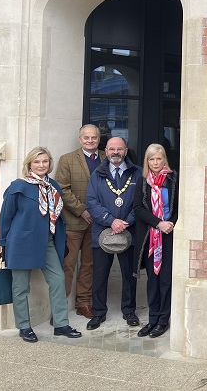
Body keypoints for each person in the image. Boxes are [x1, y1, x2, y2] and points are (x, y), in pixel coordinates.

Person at [0, 147, 82, 342]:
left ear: (49, 163)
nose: (42, 165)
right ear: (29, 164)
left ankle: (61, 324)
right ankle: (24, 326)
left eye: (45, 161)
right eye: (37, 162)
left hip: (49, 241)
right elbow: (5, 218)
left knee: (58, 280)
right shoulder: (17, 187)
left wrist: (63, 239)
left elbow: (58, 216)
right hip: (21, 243)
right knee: (20, 287)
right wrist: (3, 244)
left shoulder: (53, 186)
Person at [86, 137, 141, 330]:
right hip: (102, 233)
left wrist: (126, 222)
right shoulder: (96, 174)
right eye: (112, 149)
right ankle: (98, 313)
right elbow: (91, 202)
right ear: (106, 151)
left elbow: (141, 202)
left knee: (129, 275)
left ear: (125, 151)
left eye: (119, 149)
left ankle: (129, 311)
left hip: (129, 232)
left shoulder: (137, 173)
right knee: (100, 276)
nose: (115, 152)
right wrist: (111, 221)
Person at [54, 124, 101, 319]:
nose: (90, 141)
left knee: (89, 265)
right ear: (80, 139)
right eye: (86, 137)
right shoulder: (67, 159)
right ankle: (59, 308)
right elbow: (62, 189)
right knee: (68, 264)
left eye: (94, 138)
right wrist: (82, 210)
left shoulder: (106, 159)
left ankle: (83, 303)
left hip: (96, 223)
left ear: (99, 139)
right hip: (73, 222)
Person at [133, 144, 179, 338]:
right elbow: (138, 209)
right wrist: (158, 223)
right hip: (150, 236)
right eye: (151, 159)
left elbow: (179, 207)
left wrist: (169, 224)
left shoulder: (173, 179)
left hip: (168, 235)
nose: (155, 163)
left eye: (158, 159)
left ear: (164, 159)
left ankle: (162, 320)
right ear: (147, 161)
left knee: (165, 279)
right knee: (152, 279)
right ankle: (152, 319)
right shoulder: (143, 181)